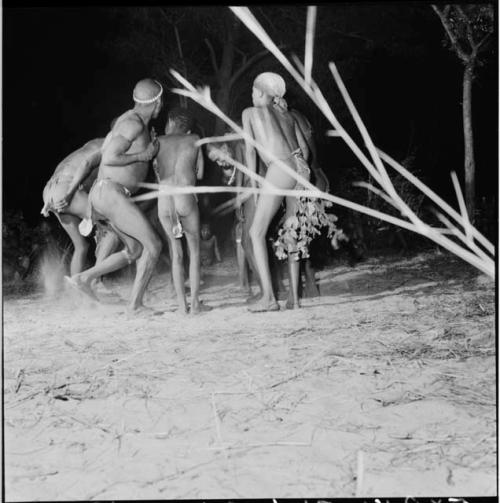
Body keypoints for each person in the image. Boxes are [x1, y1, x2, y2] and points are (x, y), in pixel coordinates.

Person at [65, 78, 163, 312]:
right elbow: (109, 158)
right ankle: (136, 306)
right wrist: (143, 156)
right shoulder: (133, 124)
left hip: (105, 194)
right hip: (110, 193)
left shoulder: (127, 121)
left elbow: (94, 159)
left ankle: (84, 279)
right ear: (158, 102)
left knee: (134, 250)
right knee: (154, 245)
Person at [242, 72, 310, 312]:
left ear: (260, 92)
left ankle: (269, 299)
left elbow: (250, 153)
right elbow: (304, 150)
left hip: (279, 168)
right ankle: (294, 298)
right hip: (300, 168)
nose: (251, 95)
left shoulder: (249, 113)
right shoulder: (288, 115)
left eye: (252, 91)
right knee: (292, 230)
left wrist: (254, 188)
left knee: (256, 232)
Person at [155, 107, 211, 314]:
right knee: (194, 252)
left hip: (164, 199)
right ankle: (195, 305)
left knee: (176, 253)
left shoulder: (158, 140)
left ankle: (181, 306)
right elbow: (201, 172)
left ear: (171, 122)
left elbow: (156, 170)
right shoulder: (194, 138)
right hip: (185, 197)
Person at [41, 138, 121, 276]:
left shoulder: (89, 146)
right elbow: (88, 165)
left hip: (49, 192)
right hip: (65, 188)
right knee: (113, 229)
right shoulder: (108, 145)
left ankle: (76, 290)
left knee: (81, 246)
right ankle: (94, 280)